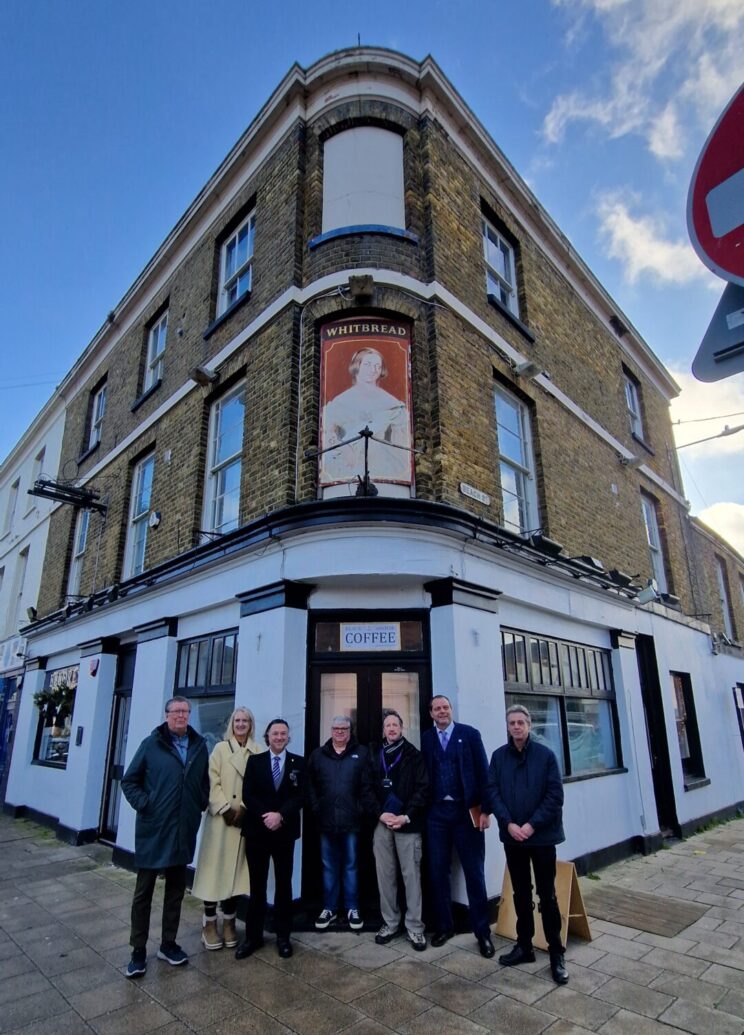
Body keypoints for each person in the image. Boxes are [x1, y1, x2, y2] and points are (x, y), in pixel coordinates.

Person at [121, 696, 209, 978]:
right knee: (143, 892)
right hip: (154, 829)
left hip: (184, 827)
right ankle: (137, 950)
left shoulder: (199, 745)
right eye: (176, 711)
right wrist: (147, 805)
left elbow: (203, 781)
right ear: (167, 714)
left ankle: (168, 944)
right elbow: (129, 781)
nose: (181, 715)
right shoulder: (151, 744)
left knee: (175, 891)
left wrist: (200, 803)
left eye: (185, 711)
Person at [487, 704, 568, 985]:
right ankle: (524, 945)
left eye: (521, 722)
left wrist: (531, 825)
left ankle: (556, 952)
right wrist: (509, 823)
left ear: (529, 725)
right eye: (512, 723)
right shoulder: (498, 757)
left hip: (542, 837)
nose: (517, 727)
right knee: (521, 893)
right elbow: (492, 792)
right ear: (507, 727)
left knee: (548, 895)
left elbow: (554, 796)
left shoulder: (546, 756)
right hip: (513, 837)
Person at [421, 694, 495, 957]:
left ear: (451, 710)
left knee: (474, 873)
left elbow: (484, 773)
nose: (442, 711)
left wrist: (487, 810)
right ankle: (444, 926)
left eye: (445, 707)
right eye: (437, 708)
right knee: (438, 872)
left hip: (467, 813)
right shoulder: (426, 739)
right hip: (436, 814)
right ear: (430, 713)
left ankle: (483, 932)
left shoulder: (469, 734)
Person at [191, 707, 262, 950]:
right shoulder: (220, 749)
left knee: (237, 873)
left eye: (245, 721)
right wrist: (225, 809)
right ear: (231, 724)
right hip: (220, 822)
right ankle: (209, 923)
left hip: (243, 821)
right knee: (214, 871)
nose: (241, 724)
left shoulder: (258, 750)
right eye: (237, 720)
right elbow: (212, 781)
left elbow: (259, 783)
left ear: (251, 725)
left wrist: (243, 808)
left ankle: (230, 921)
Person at [235, 718, 304, 960]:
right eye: (275, 733)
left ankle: (283, 937)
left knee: (284, 886)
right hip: (258, 831)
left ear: (288, 737)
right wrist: (267, 816)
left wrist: (280, 815)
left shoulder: (299, 763)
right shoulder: (254, 762)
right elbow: (248, 794)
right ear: (267, 736)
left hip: (284, 832)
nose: (279, 737)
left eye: (283, 733)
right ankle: (253, 937)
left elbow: (300, 796)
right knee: (258, 886)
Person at [361, 710, 429, 951]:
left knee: (411, 877)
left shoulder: (414, 756)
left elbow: (423, 789)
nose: (391, 729)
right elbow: (366, 787)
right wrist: (380, 813)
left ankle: (415, 927)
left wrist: (405, 816)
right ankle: (390, 923)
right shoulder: (374, 755)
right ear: (383, 730)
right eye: (387, 725)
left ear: (402, 728)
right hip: (382, 823)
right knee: (385, 876)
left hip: (408, 824)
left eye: (395, 725)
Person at [307, 715, 368, 931]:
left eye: (344, 728)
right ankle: (330, 908)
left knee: (351, 866)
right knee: (329, 867)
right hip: (326, 821)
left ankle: (352, 907)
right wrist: (316, 806)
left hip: (352, 821)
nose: (340, 732)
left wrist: (360, 808)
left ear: (350, 731)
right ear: (330, 730)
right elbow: (310, 784)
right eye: (336, 728)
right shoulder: (318, 755)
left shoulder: (361, 754)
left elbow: (367, 785)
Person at [321, 346, 411, 485]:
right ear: (357, 366)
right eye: (367, 364)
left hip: (382, 463)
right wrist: (343, 448)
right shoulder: (340, 402)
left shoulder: (392, 404)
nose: (373, 369)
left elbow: (401, 442)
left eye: (377, 366)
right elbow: (327, 431)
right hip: (347, 465)